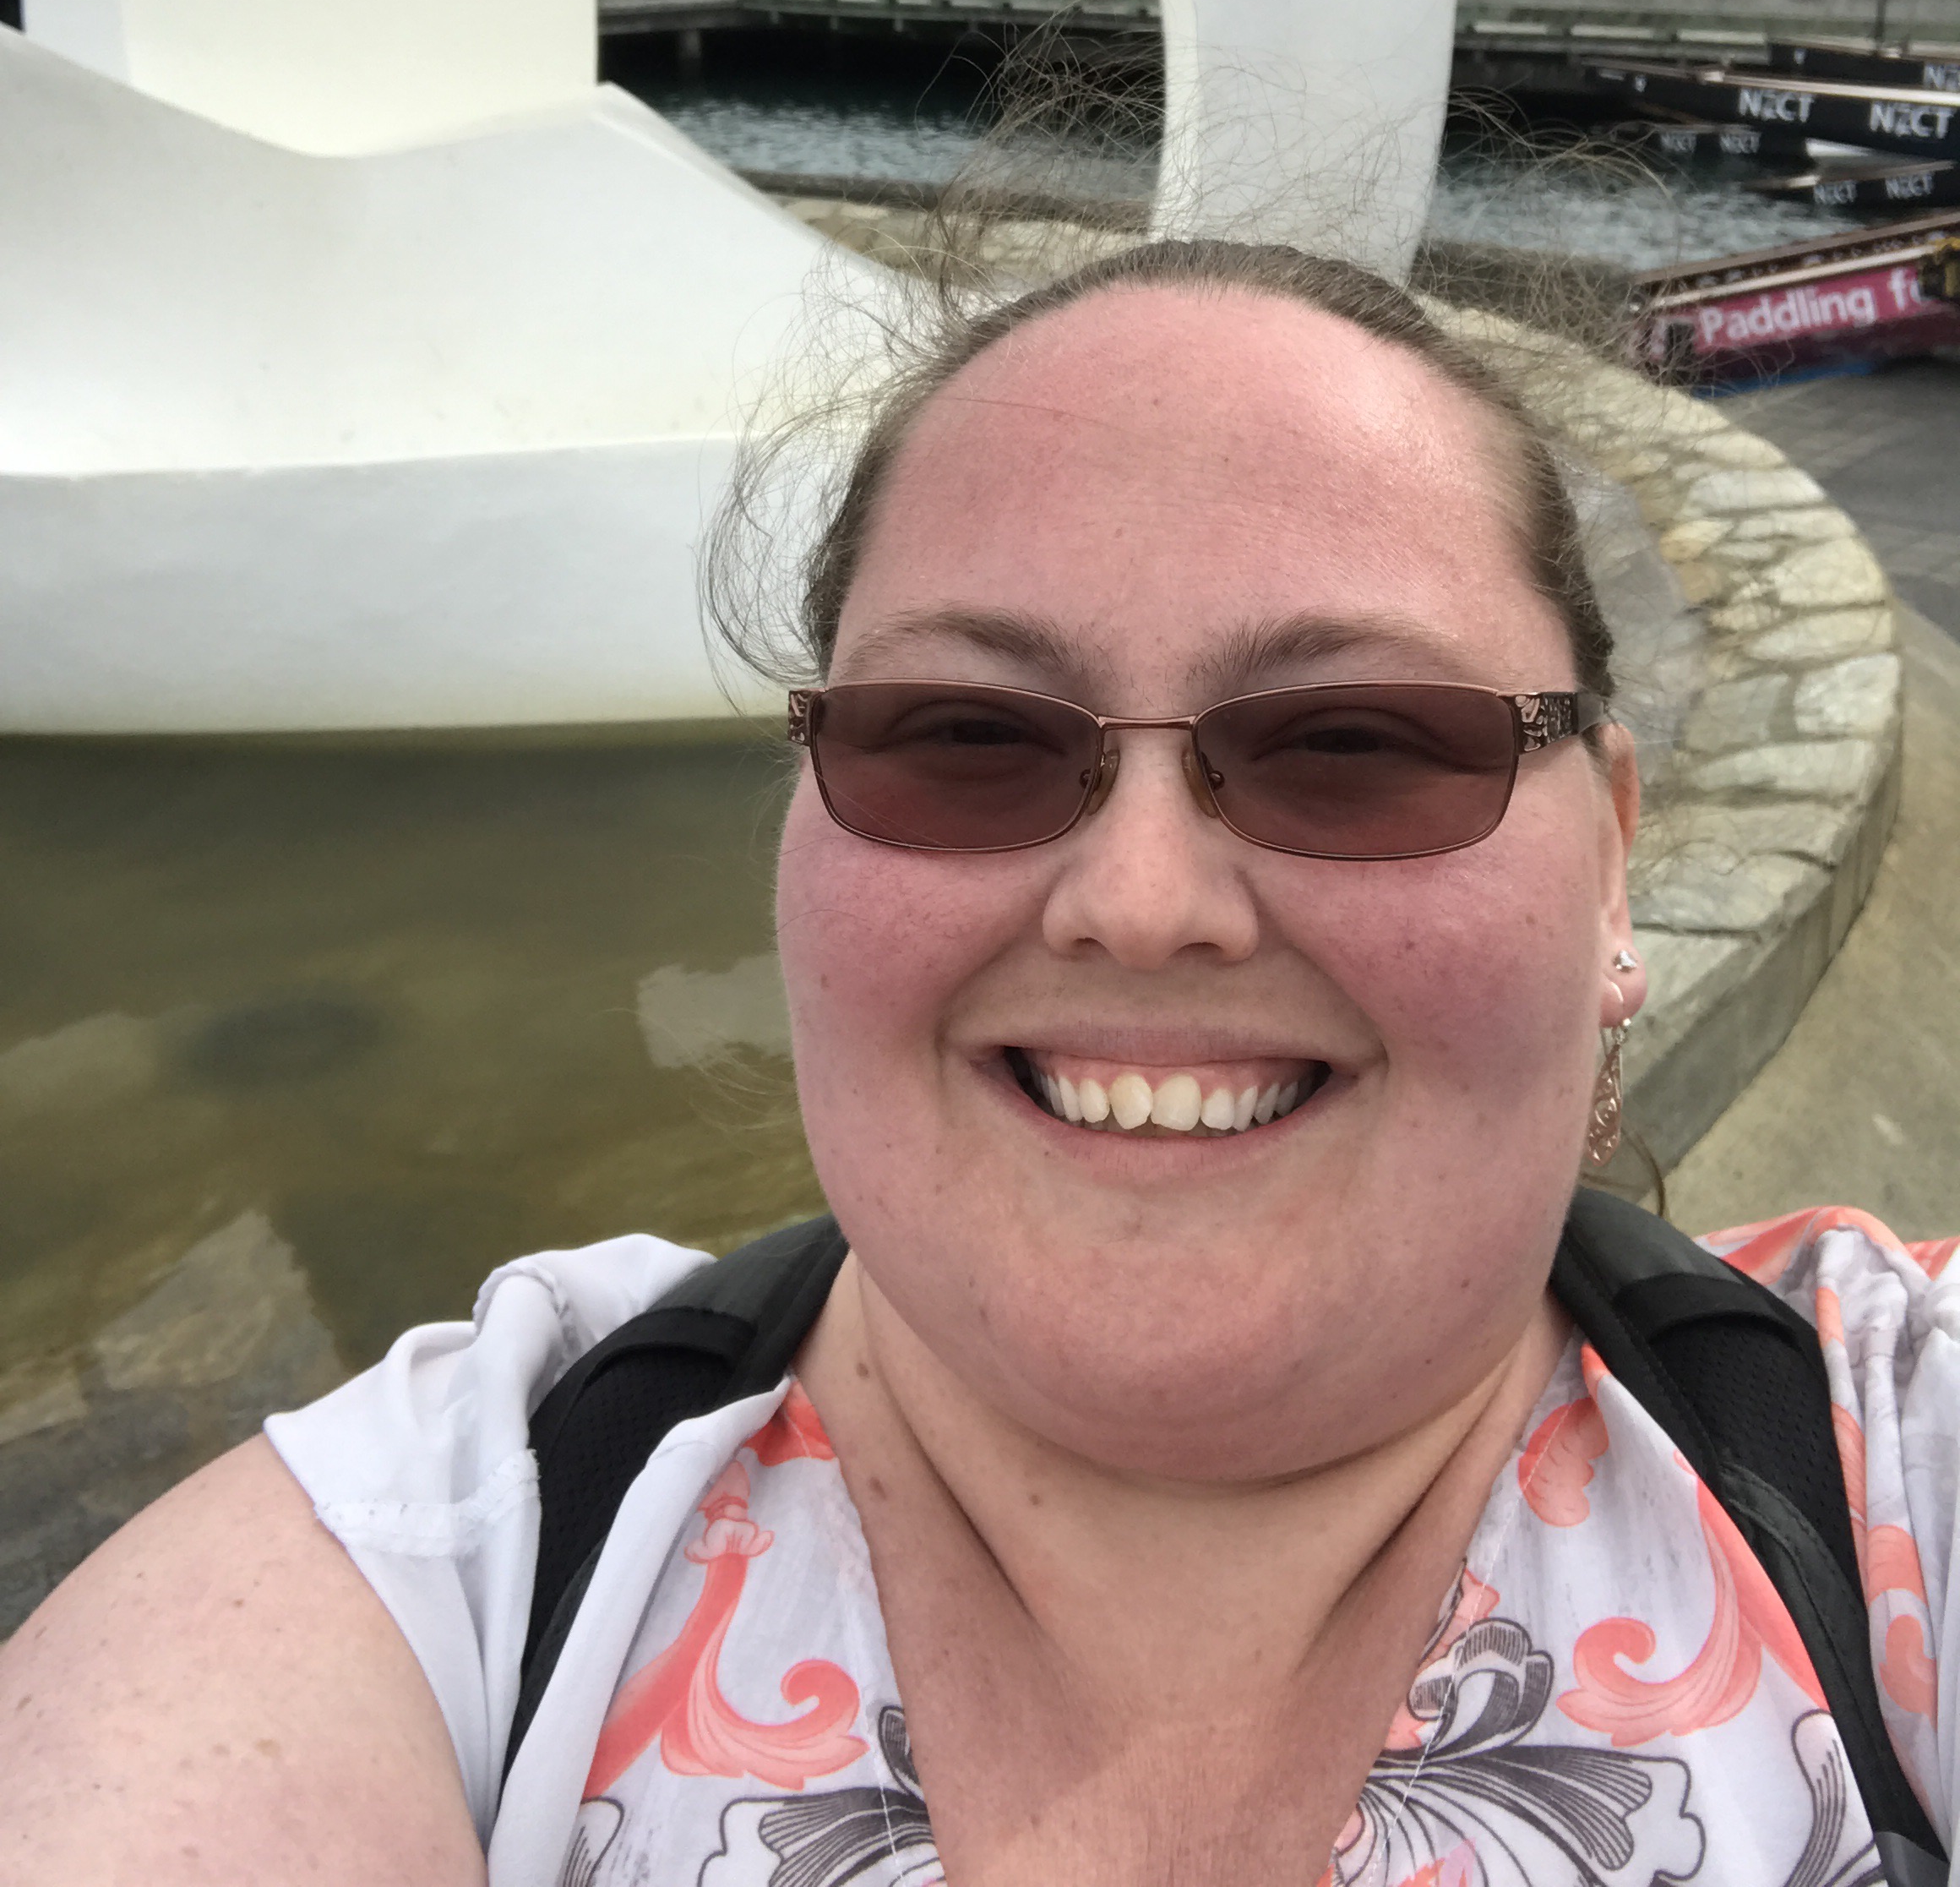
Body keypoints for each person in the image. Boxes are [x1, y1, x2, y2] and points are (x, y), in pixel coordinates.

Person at [6, 237, 1959, 1887]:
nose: (1138, 899)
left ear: (1607, 861)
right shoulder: (462, 1565)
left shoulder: (1892, 1473)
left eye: (1353, 741)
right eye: (964, 738)